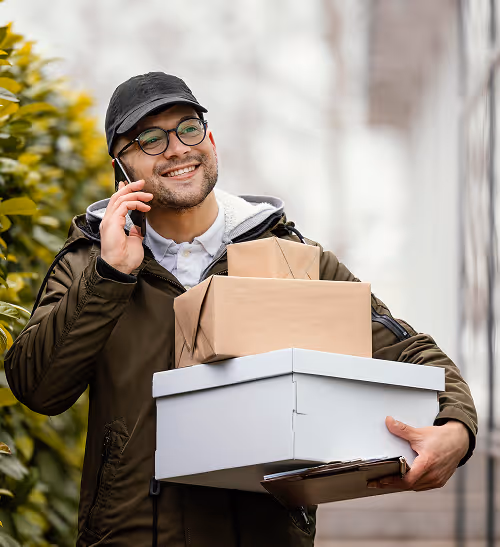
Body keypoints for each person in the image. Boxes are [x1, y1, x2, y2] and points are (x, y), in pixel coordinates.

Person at [5, 72, 477, 547]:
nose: (175, 149)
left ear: (209, 138)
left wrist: (455, 427)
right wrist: (111, 276)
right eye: (150, 139)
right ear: (120, 167)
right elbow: (38, 388)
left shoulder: (293, 258)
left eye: (188, 129)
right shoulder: (90, 263)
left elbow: (410, 351)